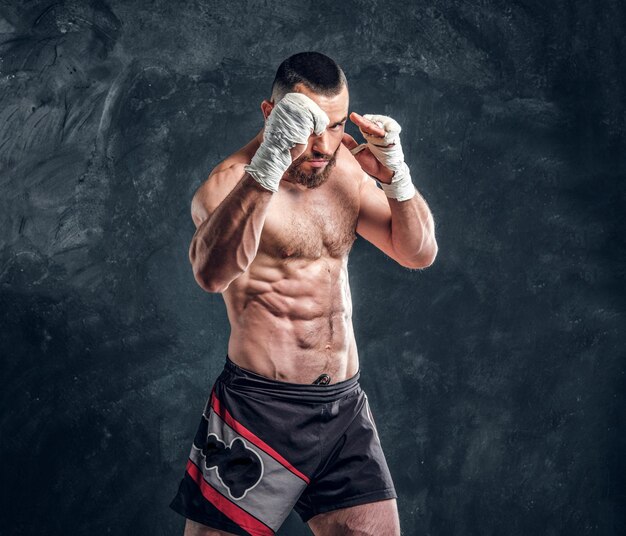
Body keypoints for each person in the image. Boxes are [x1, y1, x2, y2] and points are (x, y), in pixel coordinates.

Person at [169, 51, 438, 536]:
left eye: (334, 126)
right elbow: (210, 274)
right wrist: (270, 163)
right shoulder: (228, 184)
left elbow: (417, 252)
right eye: (307, 125)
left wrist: (397, 177)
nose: (322, 143)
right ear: (272, 115)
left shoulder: (346, 173)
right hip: (260, 408)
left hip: (342, 407)